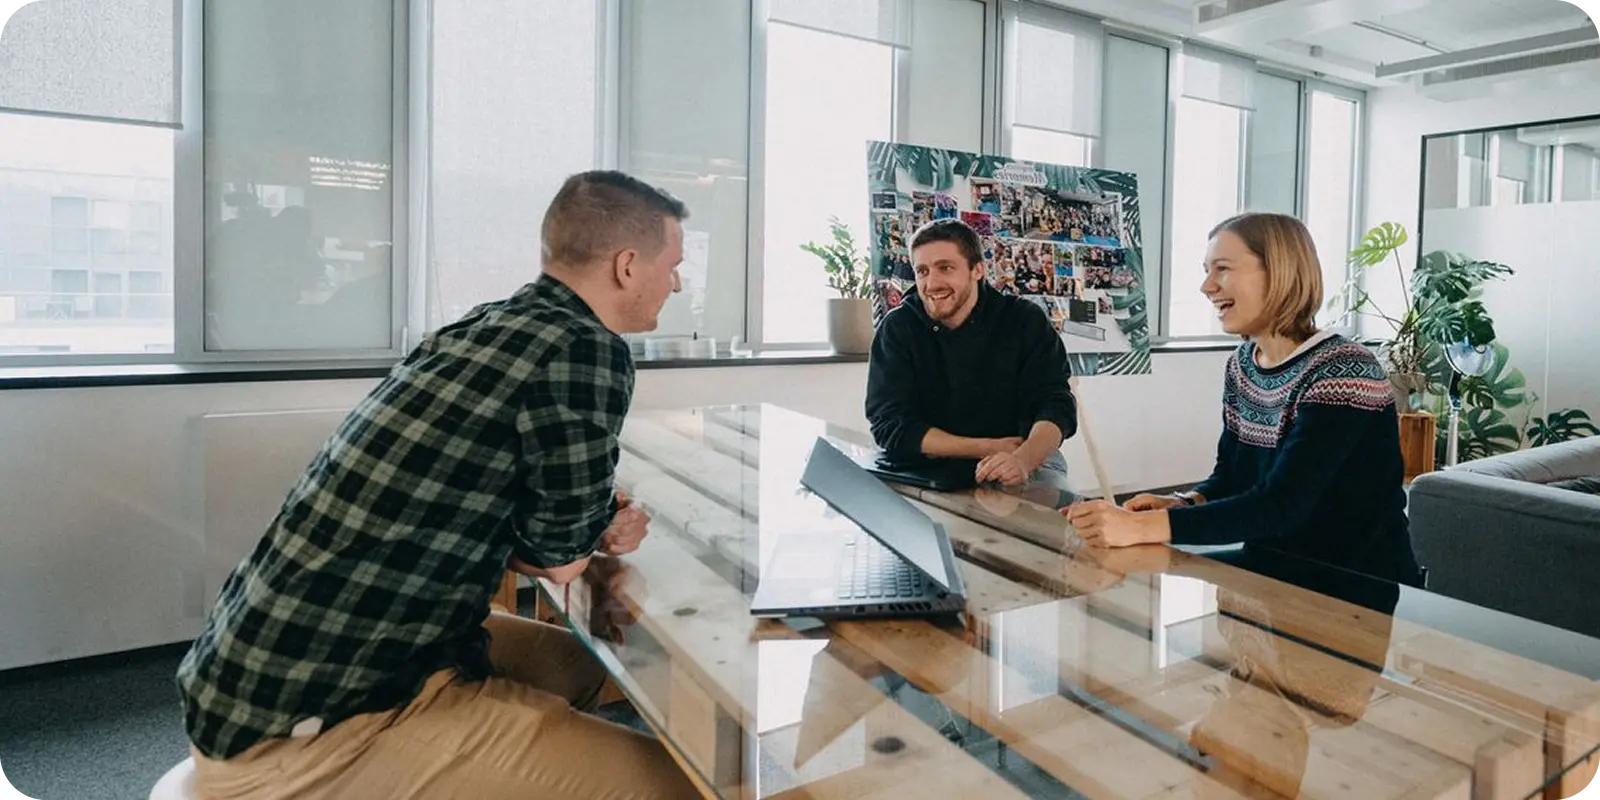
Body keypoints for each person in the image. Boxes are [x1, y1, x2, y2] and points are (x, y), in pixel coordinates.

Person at [175, 170, 701, 799]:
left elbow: (484, 500)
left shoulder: (484, 325)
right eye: (672, 265)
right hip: (315, 726)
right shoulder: (584, 348)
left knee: (580, 665)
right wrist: (594, 527)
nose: (675, 283)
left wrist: (582, 523)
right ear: (626, 265)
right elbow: (558, 561)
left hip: (253, 673)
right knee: (684, 789)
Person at [1062, 212, 1423, 587]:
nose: (1206, 286)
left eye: (1222, 269)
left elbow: (1282, 506)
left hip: (1353, 584)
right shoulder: (1242, 365)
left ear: (1279, 272)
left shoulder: (1343, 370)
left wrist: (1140, 526)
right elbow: (1232, 478)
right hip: (1275, 567)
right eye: (1207, 270)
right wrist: (1184, 502)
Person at [865, 217, 1077, 495]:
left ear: (977, 270)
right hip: (927, 463)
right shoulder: (898, 327)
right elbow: (888, 423)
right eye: (922, 271)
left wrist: (1022, 460)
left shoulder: (1024, 320)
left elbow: (1056, 404)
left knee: (1046, 521)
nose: (932, 283)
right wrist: (986, 447)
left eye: (945, 268)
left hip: (1025, 456)